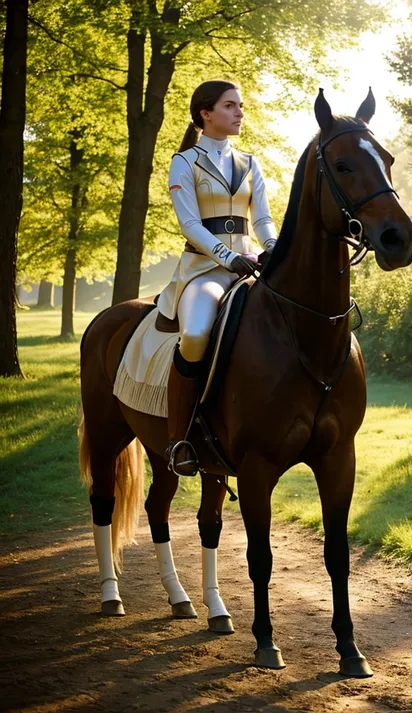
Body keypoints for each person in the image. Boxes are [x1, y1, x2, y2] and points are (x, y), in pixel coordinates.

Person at [157, 79, 277, 477]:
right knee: (193, 335)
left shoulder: (250, 162)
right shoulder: (184, 162)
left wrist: (272, 246)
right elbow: (190, 223)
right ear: (205, 114)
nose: (239, 112)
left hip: (250, 267)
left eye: (240, 106)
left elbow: (261, 217)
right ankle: (179, 439)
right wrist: (227, 256)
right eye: (230, 106)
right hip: (204, 272)